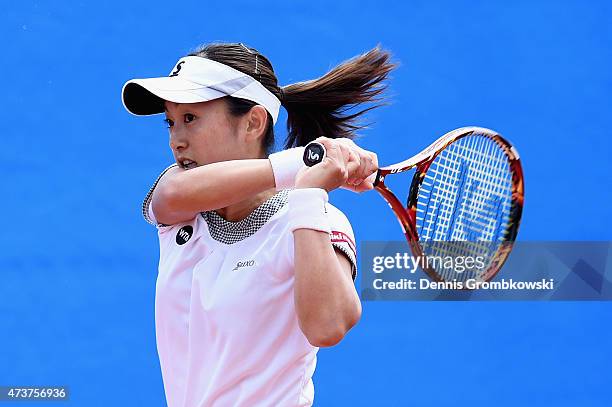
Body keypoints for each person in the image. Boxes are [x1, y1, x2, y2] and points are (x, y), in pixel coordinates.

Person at [121, 42, 394, 407]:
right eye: (170, 122)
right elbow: (170, 194)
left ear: (253, 122)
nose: (176, 140)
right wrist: (304, 161)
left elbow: (328, 325)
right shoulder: (182, 206)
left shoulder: (317, 217)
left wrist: (308, 196)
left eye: (191, 119)